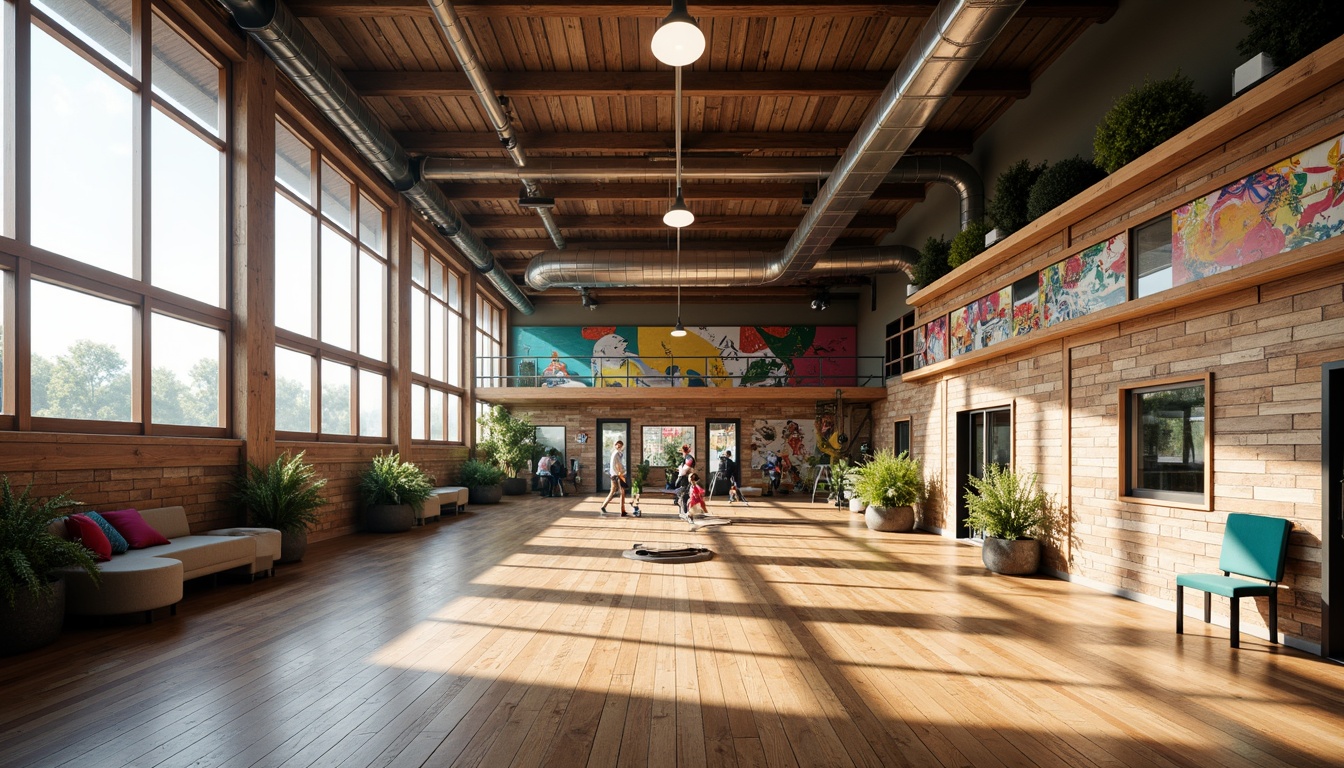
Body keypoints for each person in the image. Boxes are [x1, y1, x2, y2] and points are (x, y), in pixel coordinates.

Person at [600, 440, 629, 516]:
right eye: (618, 445)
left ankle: (603, 505)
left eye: (620, 445)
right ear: (615, 445)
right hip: (617, 476)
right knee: (622, 492)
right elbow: (616, 465)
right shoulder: (616, 454)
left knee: (612, 491)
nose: (619, 447)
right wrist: (621, 472)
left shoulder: (616, 453)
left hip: (614, 475)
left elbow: (616, 465)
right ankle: (622, 510)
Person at [674, 443, 695, 520]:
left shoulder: (688, 458)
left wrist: (679, 476)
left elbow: (685, 470)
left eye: (682, 452)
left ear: (684, 452)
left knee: (684, 497)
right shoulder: (687, 458)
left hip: (686, 480)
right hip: (687, 479)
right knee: (683, 497)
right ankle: (685, 513)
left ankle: (686, 514)